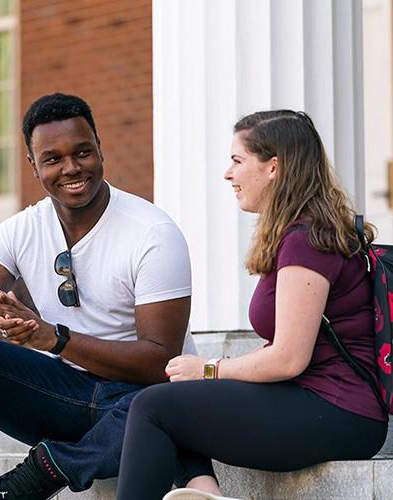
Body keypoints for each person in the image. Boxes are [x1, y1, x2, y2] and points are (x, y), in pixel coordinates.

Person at [0, 92, 195, 500]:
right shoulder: (23, 228)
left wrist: (56, 339)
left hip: (133, 400)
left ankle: (47, 469)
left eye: (83, 152)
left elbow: (159, 360)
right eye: (53, 159)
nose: (71, 168)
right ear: (33, 165)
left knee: (168, 406)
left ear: (100, 148)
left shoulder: (151, 232)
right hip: (62, 395)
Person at [116, 110, 389, 500]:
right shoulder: (303, 232)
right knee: (170, 397)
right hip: (321, 403)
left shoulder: (306, 240)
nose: (229, 174)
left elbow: (288, 359)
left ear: (273, 166)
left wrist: (210, 368)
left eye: (238, 161)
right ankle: (202, 493)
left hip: (339, 411)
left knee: (153, 408)